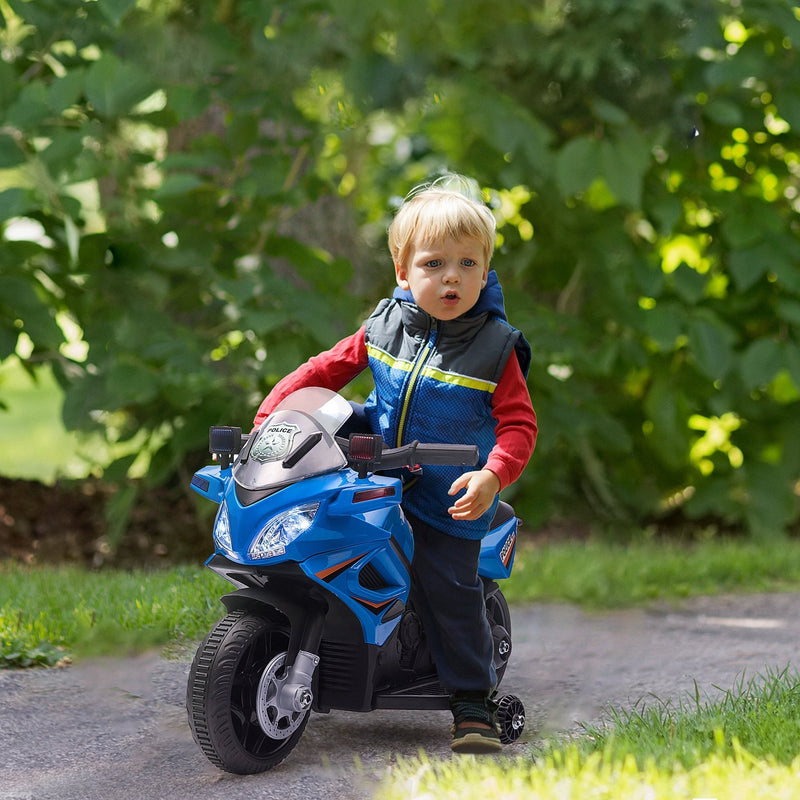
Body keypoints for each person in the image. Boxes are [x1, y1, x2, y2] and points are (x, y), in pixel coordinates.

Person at [253, 174, 537, 753]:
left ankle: (471, 703)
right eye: (434, 264)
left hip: (446, 497)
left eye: (467, 263)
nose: (451, 276)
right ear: (404, 272)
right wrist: (271, 416)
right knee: (317, 546)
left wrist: (492, 475)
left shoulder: (496, 347)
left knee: (447, 588)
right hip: (372, 476)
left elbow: (519, 426)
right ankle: (325, 649)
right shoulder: (383, 326)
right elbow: (325, 370)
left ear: (485, 273)